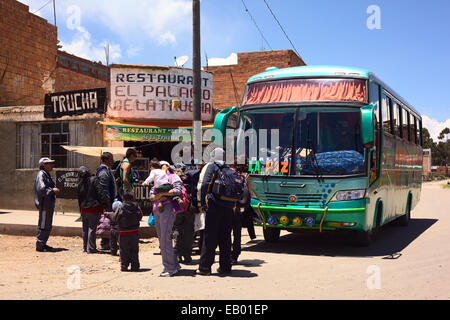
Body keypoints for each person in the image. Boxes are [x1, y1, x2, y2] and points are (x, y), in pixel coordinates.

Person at [196, 148, 243, 276]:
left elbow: (203, 185)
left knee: (209, 237)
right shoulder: (229, 169)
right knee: (225, 238)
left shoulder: (211, 166)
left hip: (213, 206)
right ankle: (225, 267)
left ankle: (205, 267)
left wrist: (200, 203)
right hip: (229, 207)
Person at [150, 160, 182, 277]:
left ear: (168, 167)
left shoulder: (173, 177)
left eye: (164, 165)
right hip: (157, 209)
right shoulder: (157, 178)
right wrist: (157, 196)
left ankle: (169, 267)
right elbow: (151, 195)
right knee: (162, 239)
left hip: (168, 209)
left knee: (165, 238)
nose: (162, 167)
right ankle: (174, 264)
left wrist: (163, 195)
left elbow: (177, 190)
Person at [77, 166, 109, 254]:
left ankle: (85, 247)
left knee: (85, 228)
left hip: (84, 209)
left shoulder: (79, 183)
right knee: (92, 228)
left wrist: (80, 209)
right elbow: (100, 193)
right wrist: (105, 204)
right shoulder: (94, 180)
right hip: (94, 208)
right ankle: (91, 248)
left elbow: (79, 198)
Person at [111, 192, 142, 272]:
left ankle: (124, 265)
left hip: (123, 232)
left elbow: (115, 218)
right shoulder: (136, 206)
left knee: (124, 249)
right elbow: (140, 216)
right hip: (134, 231)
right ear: (132, 198)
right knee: (134, 249)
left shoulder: (120, 206)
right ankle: (135, 266)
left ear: (123, 199)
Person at [34, 157, 59, 252]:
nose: (51, 165)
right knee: (43, 225)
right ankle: (40, 245)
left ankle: (43, 244)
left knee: (47, 224)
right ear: (43, 165)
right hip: (44, 205)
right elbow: (41, 189)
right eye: (49, 163)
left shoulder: (46, 174)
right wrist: (52, 190)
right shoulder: (41, 174)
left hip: (48, 204)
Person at [172, 167, 195, 264]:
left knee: (177, 230)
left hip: (177, 210)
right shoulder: (189, 182)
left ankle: (177, 254)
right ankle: (187, 255)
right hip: (189, 210)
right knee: (189, 232)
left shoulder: (173, 182)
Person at [96, 152, 117, 251]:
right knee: (106, 222)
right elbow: (104, 189)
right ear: (106, 160)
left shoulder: (107, 170)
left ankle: (107, 242)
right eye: (111, 159)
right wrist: (108, 202)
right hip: (107, 202)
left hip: (110, 200)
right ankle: (105, 243)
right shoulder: (103, 172)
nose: (113, 161)